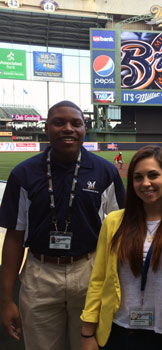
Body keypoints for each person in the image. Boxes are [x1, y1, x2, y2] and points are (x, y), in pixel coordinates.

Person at [0, 100, 126, 350]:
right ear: (47, 128)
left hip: (90, 271)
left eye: (76, 123)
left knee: (89, 346)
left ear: (84, 129)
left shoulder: (105, 172)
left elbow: (120, 233)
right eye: (59, 123)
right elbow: (14, 237)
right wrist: (6, 299)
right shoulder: (23, 174)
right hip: (40, 273)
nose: (68, 128)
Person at [81, 145, 162, 350]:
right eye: (138, 177)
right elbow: (99, 279)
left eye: (153, 175)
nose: (146, 183)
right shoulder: (114, 222)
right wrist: (87, 332)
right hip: (118, 332)